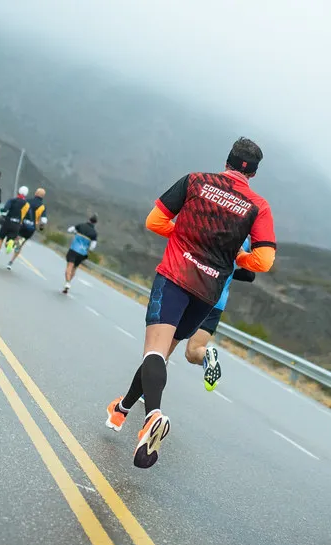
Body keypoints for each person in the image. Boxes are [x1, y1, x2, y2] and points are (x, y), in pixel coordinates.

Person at [104, 137, 276, 470]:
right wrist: (235, 257)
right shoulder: (259, 206)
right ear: (253, 173)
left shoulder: (195, 181)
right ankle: (121, 410)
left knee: (154, 352)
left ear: (227, 161)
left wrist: (184, 235)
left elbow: (154, 221)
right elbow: (263, 261)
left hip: (175, 275)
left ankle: (152, 416)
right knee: (162, 355)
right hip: (208, 292)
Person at [183, 238, 255, 391]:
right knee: (193, 351)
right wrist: (227, 274)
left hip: (191, 290)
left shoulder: (212, 226)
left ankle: (146, 389)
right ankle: (206, 355)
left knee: (164, 341)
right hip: (216, 302)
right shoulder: (245, 240)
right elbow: (249, 275)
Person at [7, 187, 48, 271]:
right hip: (31, 228)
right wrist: (41, 226)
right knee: (21, 244)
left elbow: (20, 210)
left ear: (35, 193)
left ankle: (12, 242)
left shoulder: (27, 201)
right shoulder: (43, 207)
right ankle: (11, 262)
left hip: (21, 224)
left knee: (15, 237)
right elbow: (44, 220)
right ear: (43, 196)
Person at [0, 189, 29, 266]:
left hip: (7, 222)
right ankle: (10, 242)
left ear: (18, 192)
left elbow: (5, 209)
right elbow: (26, 215)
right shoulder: (27, 204)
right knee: (9, 241)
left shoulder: (12, 200)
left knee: (0, 239)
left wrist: (1, 211)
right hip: (16, 224)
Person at [62, 214, 98, 292]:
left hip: (74, 249)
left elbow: (69, 230)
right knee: (74, 268)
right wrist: (88, 250)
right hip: (82, 253)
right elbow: (92, 247)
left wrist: (76, 232)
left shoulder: (80, 225)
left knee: (69, 266)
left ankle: (67, 282)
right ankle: (68, 283)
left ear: (89, 219)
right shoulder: (94, 233)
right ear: (95, 223)